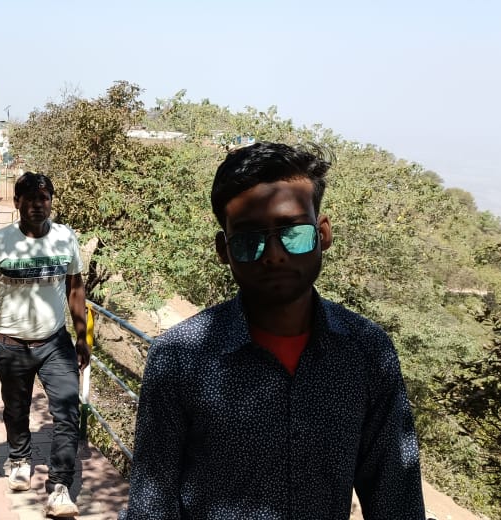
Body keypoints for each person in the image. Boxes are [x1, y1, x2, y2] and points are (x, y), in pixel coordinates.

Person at [121, 142, 425, 519]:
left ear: (323, 233)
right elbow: (152, 504)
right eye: (250, 241)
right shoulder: (181, 357)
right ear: (223, 250)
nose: (274, 253)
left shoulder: (366, 352)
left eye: (293, 232)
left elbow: (396, 499)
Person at [0, 172, 90, 517]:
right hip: (11, 343)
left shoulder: (66, 238)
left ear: (52, 201)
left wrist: (82, 337)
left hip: (55, 342)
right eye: (31, 199)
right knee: (16, 409)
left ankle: (60, 487)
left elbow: (75, 288)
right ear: (17, 202)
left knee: (67, 412)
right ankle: (19, 458)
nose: (39, 205)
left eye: (45, 198)